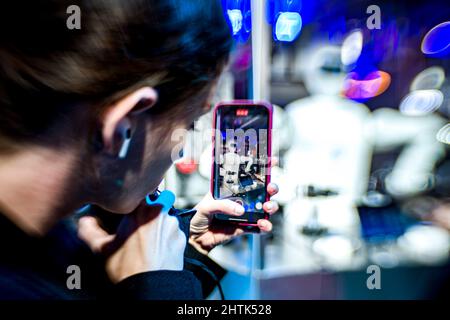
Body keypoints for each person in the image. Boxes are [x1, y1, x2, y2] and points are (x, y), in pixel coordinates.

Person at [0, 0, 279, 299]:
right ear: (123, 127)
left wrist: (186, 251)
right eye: (190, 123)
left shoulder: (48, 249)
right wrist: (157, 288)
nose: (182, 148)